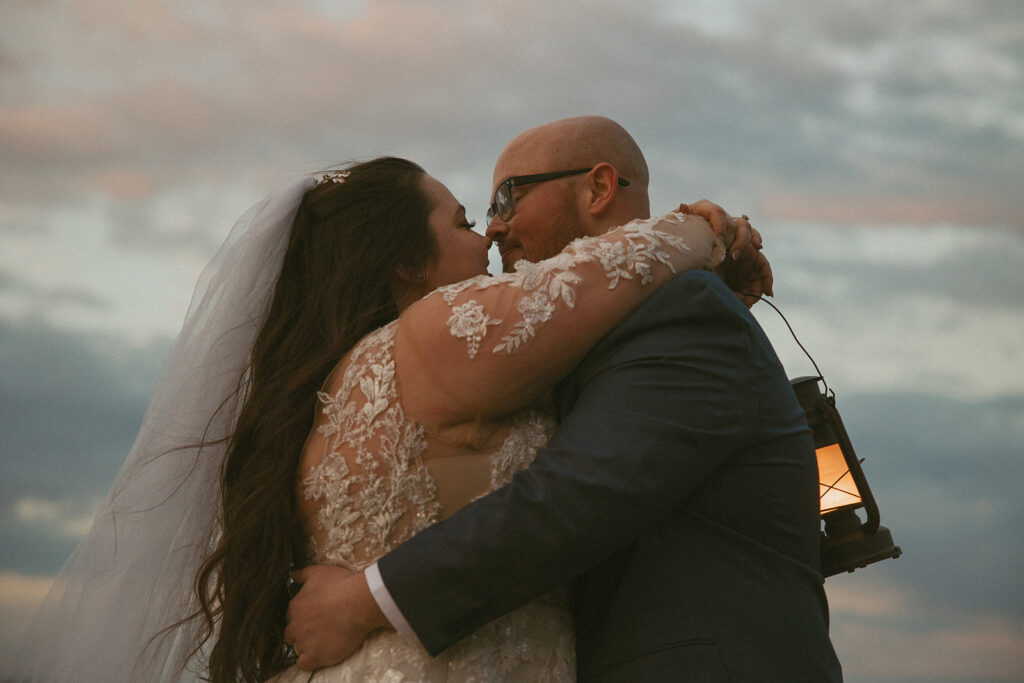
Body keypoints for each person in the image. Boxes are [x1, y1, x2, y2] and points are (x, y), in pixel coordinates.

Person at [19, 153, 741, 682]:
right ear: (406, 262)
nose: (486, 238)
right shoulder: (435, 334)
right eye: (461, 221)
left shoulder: (324, 391)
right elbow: (605, 274)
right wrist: (705, 230)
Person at [284, 117, 843, 681]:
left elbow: (576, 495)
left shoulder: (687, 310)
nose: (495, 229)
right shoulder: (546, 353)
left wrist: (366, 600)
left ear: (598, 189)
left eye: (508, 198)